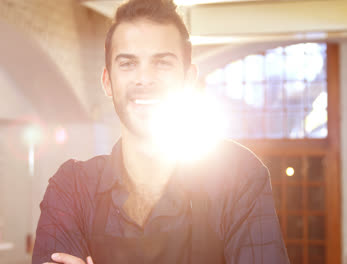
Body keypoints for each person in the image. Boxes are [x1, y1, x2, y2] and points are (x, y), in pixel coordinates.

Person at [32, 0, 290, 263]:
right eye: (128, 63)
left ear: (189, 80)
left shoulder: (238, 176)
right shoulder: (72, 188)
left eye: (162, 63)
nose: (145, 78)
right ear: (107, 82)